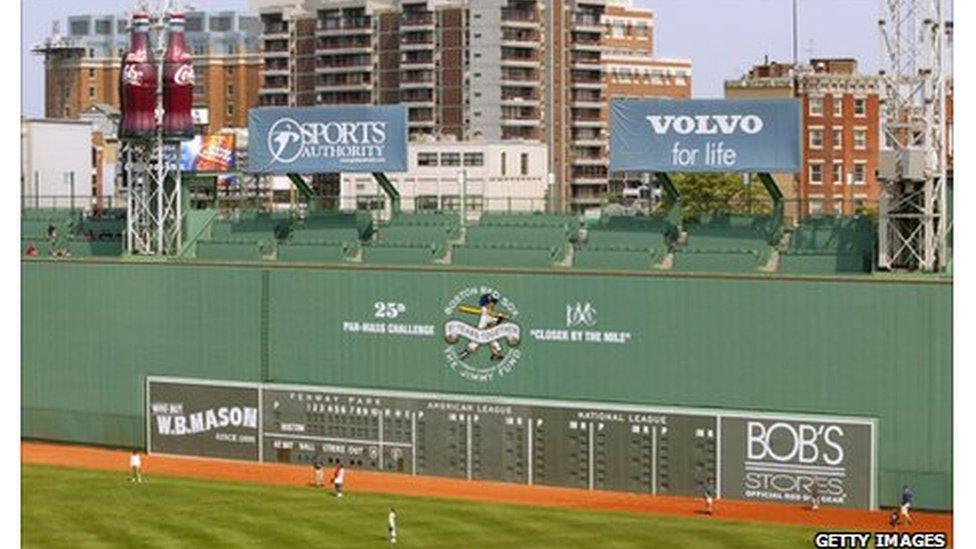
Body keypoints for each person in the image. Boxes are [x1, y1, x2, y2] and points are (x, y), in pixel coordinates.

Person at [458, 290, 504, 362]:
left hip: (489, 332)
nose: (492, 304)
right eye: (491, 302)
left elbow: (494, 323)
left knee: (495, 345)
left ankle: (495, 355)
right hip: (481, 332)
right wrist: (498, 319)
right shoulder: (485, 311)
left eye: (494, 302)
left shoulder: (491, 314)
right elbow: (490, 322)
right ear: (486, 303)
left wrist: (499, 319)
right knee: (474, 344)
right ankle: (465, 353)